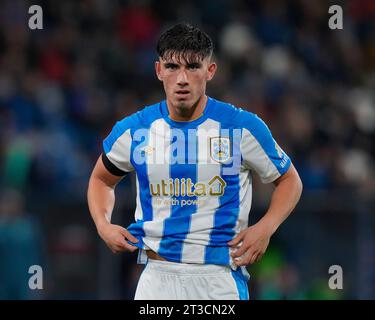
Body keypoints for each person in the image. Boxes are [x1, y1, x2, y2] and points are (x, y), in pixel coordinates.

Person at [87, 23, 303, 300]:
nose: (182, 79)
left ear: (210, 71)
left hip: (219, 280)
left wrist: (266, 227)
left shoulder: (241, 127)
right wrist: (103, 225)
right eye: (172, 67)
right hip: (156, 278)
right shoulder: (135, 131)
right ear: (159, 71)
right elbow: (101, 179)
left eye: (192, 67)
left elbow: (289, 180)